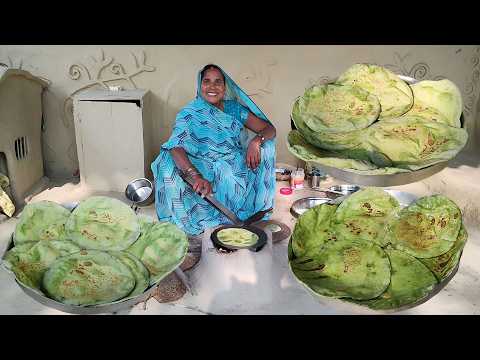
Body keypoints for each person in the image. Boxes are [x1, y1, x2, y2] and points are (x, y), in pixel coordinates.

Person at [151, 64, 276, 235]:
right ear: (200, 85)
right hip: (198, 161)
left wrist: (256, 141)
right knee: (165, 161)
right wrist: (195, 175)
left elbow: (269, 129)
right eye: (207, 81)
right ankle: (187, 217)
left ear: (225, 87)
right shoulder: (189, 112)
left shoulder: (234, 109)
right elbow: (175, 145)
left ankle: (248, 209)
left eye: (218, 82)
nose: (212, 87)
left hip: (230, 158)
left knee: (264, 147)